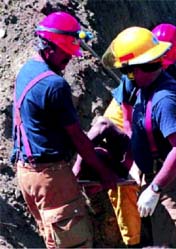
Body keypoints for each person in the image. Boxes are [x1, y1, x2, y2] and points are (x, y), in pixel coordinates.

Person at [10, 12, 117, 248]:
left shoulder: (27, 70)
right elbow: (77, 138)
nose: (69, 57)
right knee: (73, 242)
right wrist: (104, 172)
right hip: (51, 177)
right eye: (65, 53)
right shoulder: (54, 85)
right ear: (48, 48)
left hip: (26, 175)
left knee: (54, 239)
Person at [75, 23, 176, 247]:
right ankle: (130, 241)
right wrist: (131, 160)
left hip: (141, 120)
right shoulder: (134, 72)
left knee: (132, 178)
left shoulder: (168, 76)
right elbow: (127, 119)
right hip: (123, 119)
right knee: (125, 183)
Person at [102, 26, 176, 248]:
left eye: (129, 71)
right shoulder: (145, 87)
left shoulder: (165, 100)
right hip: (159, 176)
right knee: (161, 238)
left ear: (143, 67)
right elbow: (132, 123)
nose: (127, 78)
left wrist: (155, 188)